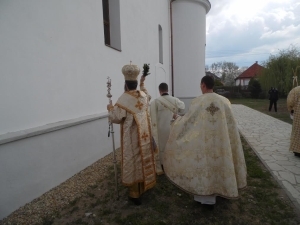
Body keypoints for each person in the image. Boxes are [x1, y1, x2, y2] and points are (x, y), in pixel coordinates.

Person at [163, 75, 247, 209]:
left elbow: (188, 122)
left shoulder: (198, 102)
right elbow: (231, 126)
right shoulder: (225, 101)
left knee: (203, 168)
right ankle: (221, 190)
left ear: (203, 85)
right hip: (222, 144)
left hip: (202, 144)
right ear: (212, 85)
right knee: (220, 165)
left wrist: (177, 119)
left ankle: (204, 198)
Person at [107, 63, 156, 205]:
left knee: (134, 160)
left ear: (126, 85)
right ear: (135, 83)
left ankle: (135, 194)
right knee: (142, 158)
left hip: (132, 137)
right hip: (145, 134)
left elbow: (116, 117)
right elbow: (148, 95)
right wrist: (142, 84)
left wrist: (110, 108)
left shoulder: (124, 99)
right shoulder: (143, 96)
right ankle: (144, 185)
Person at [150, 83, 185, 174]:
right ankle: (172, 163)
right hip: (172, 128)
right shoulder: (175, 100)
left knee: (162, 146)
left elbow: (151, 117)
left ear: (159, 90)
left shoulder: (155, 102)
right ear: (167, 90)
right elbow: (183, 109)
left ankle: (161, 164)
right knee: (172, 145)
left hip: (160, 131)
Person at [287, 86, 300, 157]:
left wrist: (291, 109)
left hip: (298, 114)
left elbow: (290, 101)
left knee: (297, 132)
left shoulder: (295, 90)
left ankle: (296, 150)